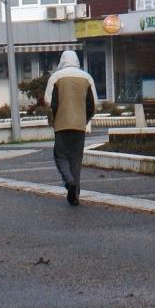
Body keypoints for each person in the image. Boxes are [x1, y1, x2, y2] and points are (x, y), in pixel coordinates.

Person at [43, 49, 99, 206]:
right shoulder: (87, 78)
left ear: (62, 60)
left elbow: (49, 101)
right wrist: (84, 119)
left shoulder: (56, 77)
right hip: (80, 126)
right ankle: (75, 194)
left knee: (60, 156)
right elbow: (93, 105)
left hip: (61, 124)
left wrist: (56, 117)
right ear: (77, 61)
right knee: (76, 159)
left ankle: (69, 181)